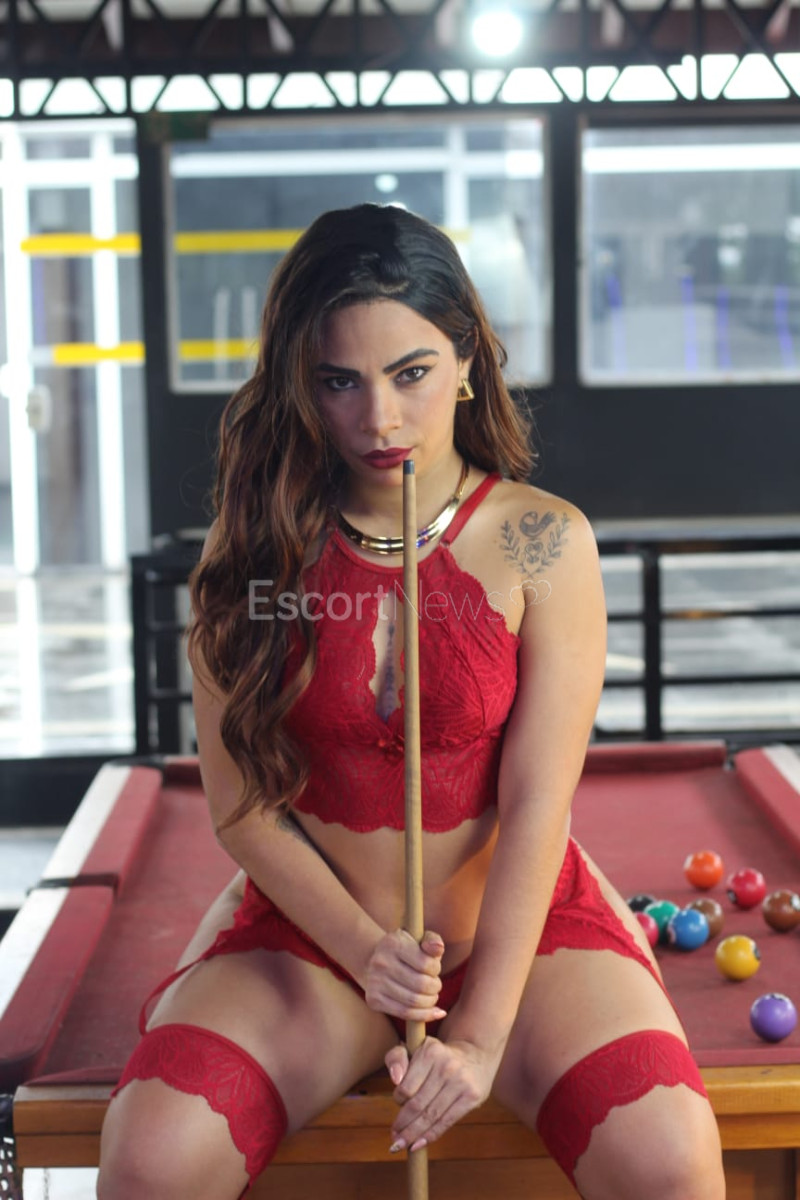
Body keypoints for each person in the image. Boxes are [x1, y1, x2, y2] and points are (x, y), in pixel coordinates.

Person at [98, 203, 725, 1200]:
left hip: (523, 939)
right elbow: (241, 808)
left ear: (467, 358)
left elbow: (537, 804)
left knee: (670, 1164)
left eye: (411, 373)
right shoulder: (250, 550)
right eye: (338, 381)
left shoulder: (544, 542)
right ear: (298, 383)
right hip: (317, 939)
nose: (378, 420)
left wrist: (478, 1038)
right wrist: (368, 954)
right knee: (149, 1163)